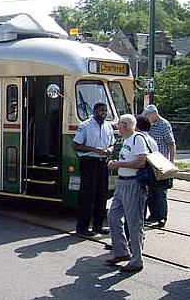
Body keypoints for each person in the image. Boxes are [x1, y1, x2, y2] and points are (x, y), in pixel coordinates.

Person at [106, 114, 157, 273]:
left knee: (134, 222)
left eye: (119, 123)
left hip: (133, 183)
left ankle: (137, 260)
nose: (117, 126)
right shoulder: (127, 140)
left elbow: (141, 162)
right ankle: (121, 252)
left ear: (126, 125)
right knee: (113, 216)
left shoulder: (137, 139)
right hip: (122, 183)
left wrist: (119, 164)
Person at [73, 102, 116, 237]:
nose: (104, 113)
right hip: (89, 162)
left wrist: (109, 149)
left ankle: (98, 225)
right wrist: (93, 149)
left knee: (101, 194)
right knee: (87, 195)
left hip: (102, 162)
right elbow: (76, 145)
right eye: (101, 110)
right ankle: (82, 227)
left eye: (105, 110)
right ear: (95, 111)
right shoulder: (85, 125)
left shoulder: (108, 126)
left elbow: (112, 143)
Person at [142, 104, 177, 228]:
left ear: (154, 114)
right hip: (150, 162)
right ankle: (153, 215)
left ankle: (162, 217)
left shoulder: (164, 124)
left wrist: (171, 162)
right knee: (151, 191)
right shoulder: (148, 125)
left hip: (161, 163)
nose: (146, 118)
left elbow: (171, 144)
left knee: (161, 192)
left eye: (147, 115)